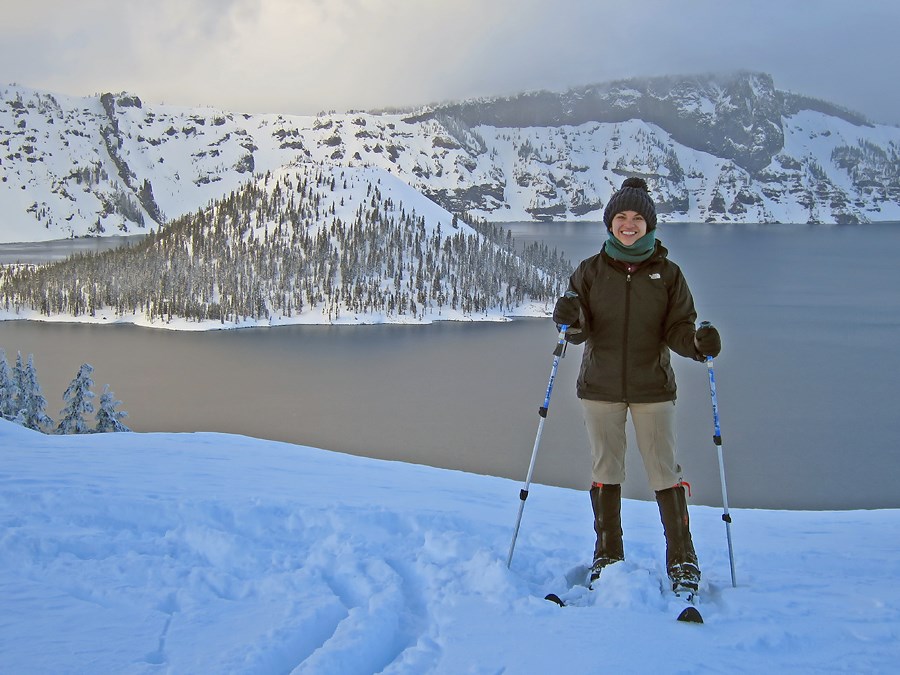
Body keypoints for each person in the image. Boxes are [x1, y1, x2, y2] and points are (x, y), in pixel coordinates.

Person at [552, 176, 721, 596]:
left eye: (637, 218)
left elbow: (678, 329)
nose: (629, 224)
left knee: (664, 469)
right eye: (621, 217)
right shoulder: (589, 271)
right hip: (600, 387)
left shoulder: (668, 274)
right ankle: (607, 553)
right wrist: (570, 317)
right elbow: (576, 331)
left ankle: (682, 558)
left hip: (652, 387)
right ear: (610, 223)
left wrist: (698, 345)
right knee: (606, 468)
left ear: (650, 224)